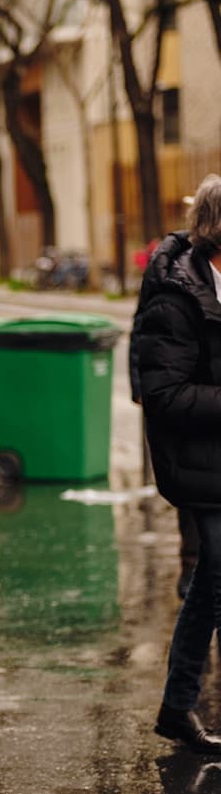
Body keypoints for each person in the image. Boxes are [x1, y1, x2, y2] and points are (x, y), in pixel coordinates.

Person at [138, 174, 221, 755]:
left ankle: (176, 706)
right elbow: (165, 395)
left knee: (213, 582)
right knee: (214, 574)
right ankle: (177, 702)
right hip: (201, 464)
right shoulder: (179, 295)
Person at [129, 230, 199, 599]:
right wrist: (139, 384)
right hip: (188, 414)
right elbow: (142, 326)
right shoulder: (171, 273)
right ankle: (189, 565)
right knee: (193, 493)